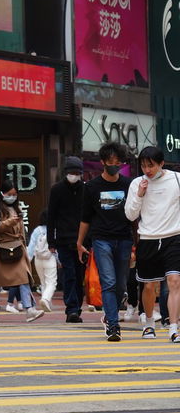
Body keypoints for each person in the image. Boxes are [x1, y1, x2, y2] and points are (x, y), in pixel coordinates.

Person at [77, 142, 135, 342]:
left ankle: (110, 316)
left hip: (125, 240)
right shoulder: (92, 187)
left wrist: (138, 241)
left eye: (118, 162)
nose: (114, 165)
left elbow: (135, 215)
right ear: (102, 162)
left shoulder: (128, 185)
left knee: (120, 285)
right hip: (101, 240)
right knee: (108, 283)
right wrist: (79, 243)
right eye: (111, 162)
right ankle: (113, 324)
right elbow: (85, 217)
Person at [125, 145, 180, 342]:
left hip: (174, 237)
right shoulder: (137, 183)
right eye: (143, 166)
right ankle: (149, 323)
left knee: (175, 282)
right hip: (147, 238)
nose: (147, 170)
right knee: (148, 286)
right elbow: (130, 214)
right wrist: (140, 194)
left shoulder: (176, 179)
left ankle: (174, 327)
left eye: (151, 166)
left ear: (161, 164)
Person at [0, 181, 45, 323]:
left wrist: (25, 247)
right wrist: (9, 222)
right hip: (2, 249)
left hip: (18, 248)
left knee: (23, 278)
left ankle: (29, 309)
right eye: (9, 194)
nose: (11, 197)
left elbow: (21, 232)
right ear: (2, 194)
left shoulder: (17, 208)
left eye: (14, 194)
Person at [47, 155, 87, 323]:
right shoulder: (56, 190)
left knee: (79, 276)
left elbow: (90, 216)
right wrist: (51, 241)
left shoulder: (86, 189)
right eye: (71, 172)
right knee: (69, 274)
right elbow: (51, 216)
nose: (74, 175)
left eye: (77, 172)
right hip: (63, 240)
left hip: (82, 241)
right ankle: (71, 309)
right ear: (65, 172)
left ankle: (76, 308)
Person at [28, 211, 57, 312]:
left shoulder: (37, 230)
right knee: (52, 282)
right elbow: (56, 246)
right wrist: (59, 260)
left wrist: (28, 260)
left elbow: (31, 246)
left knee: (43, 282)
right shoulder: (53, 230)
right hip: (50, 258)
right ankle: (45, 299)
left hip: (38, 259)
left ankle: (46, 303)